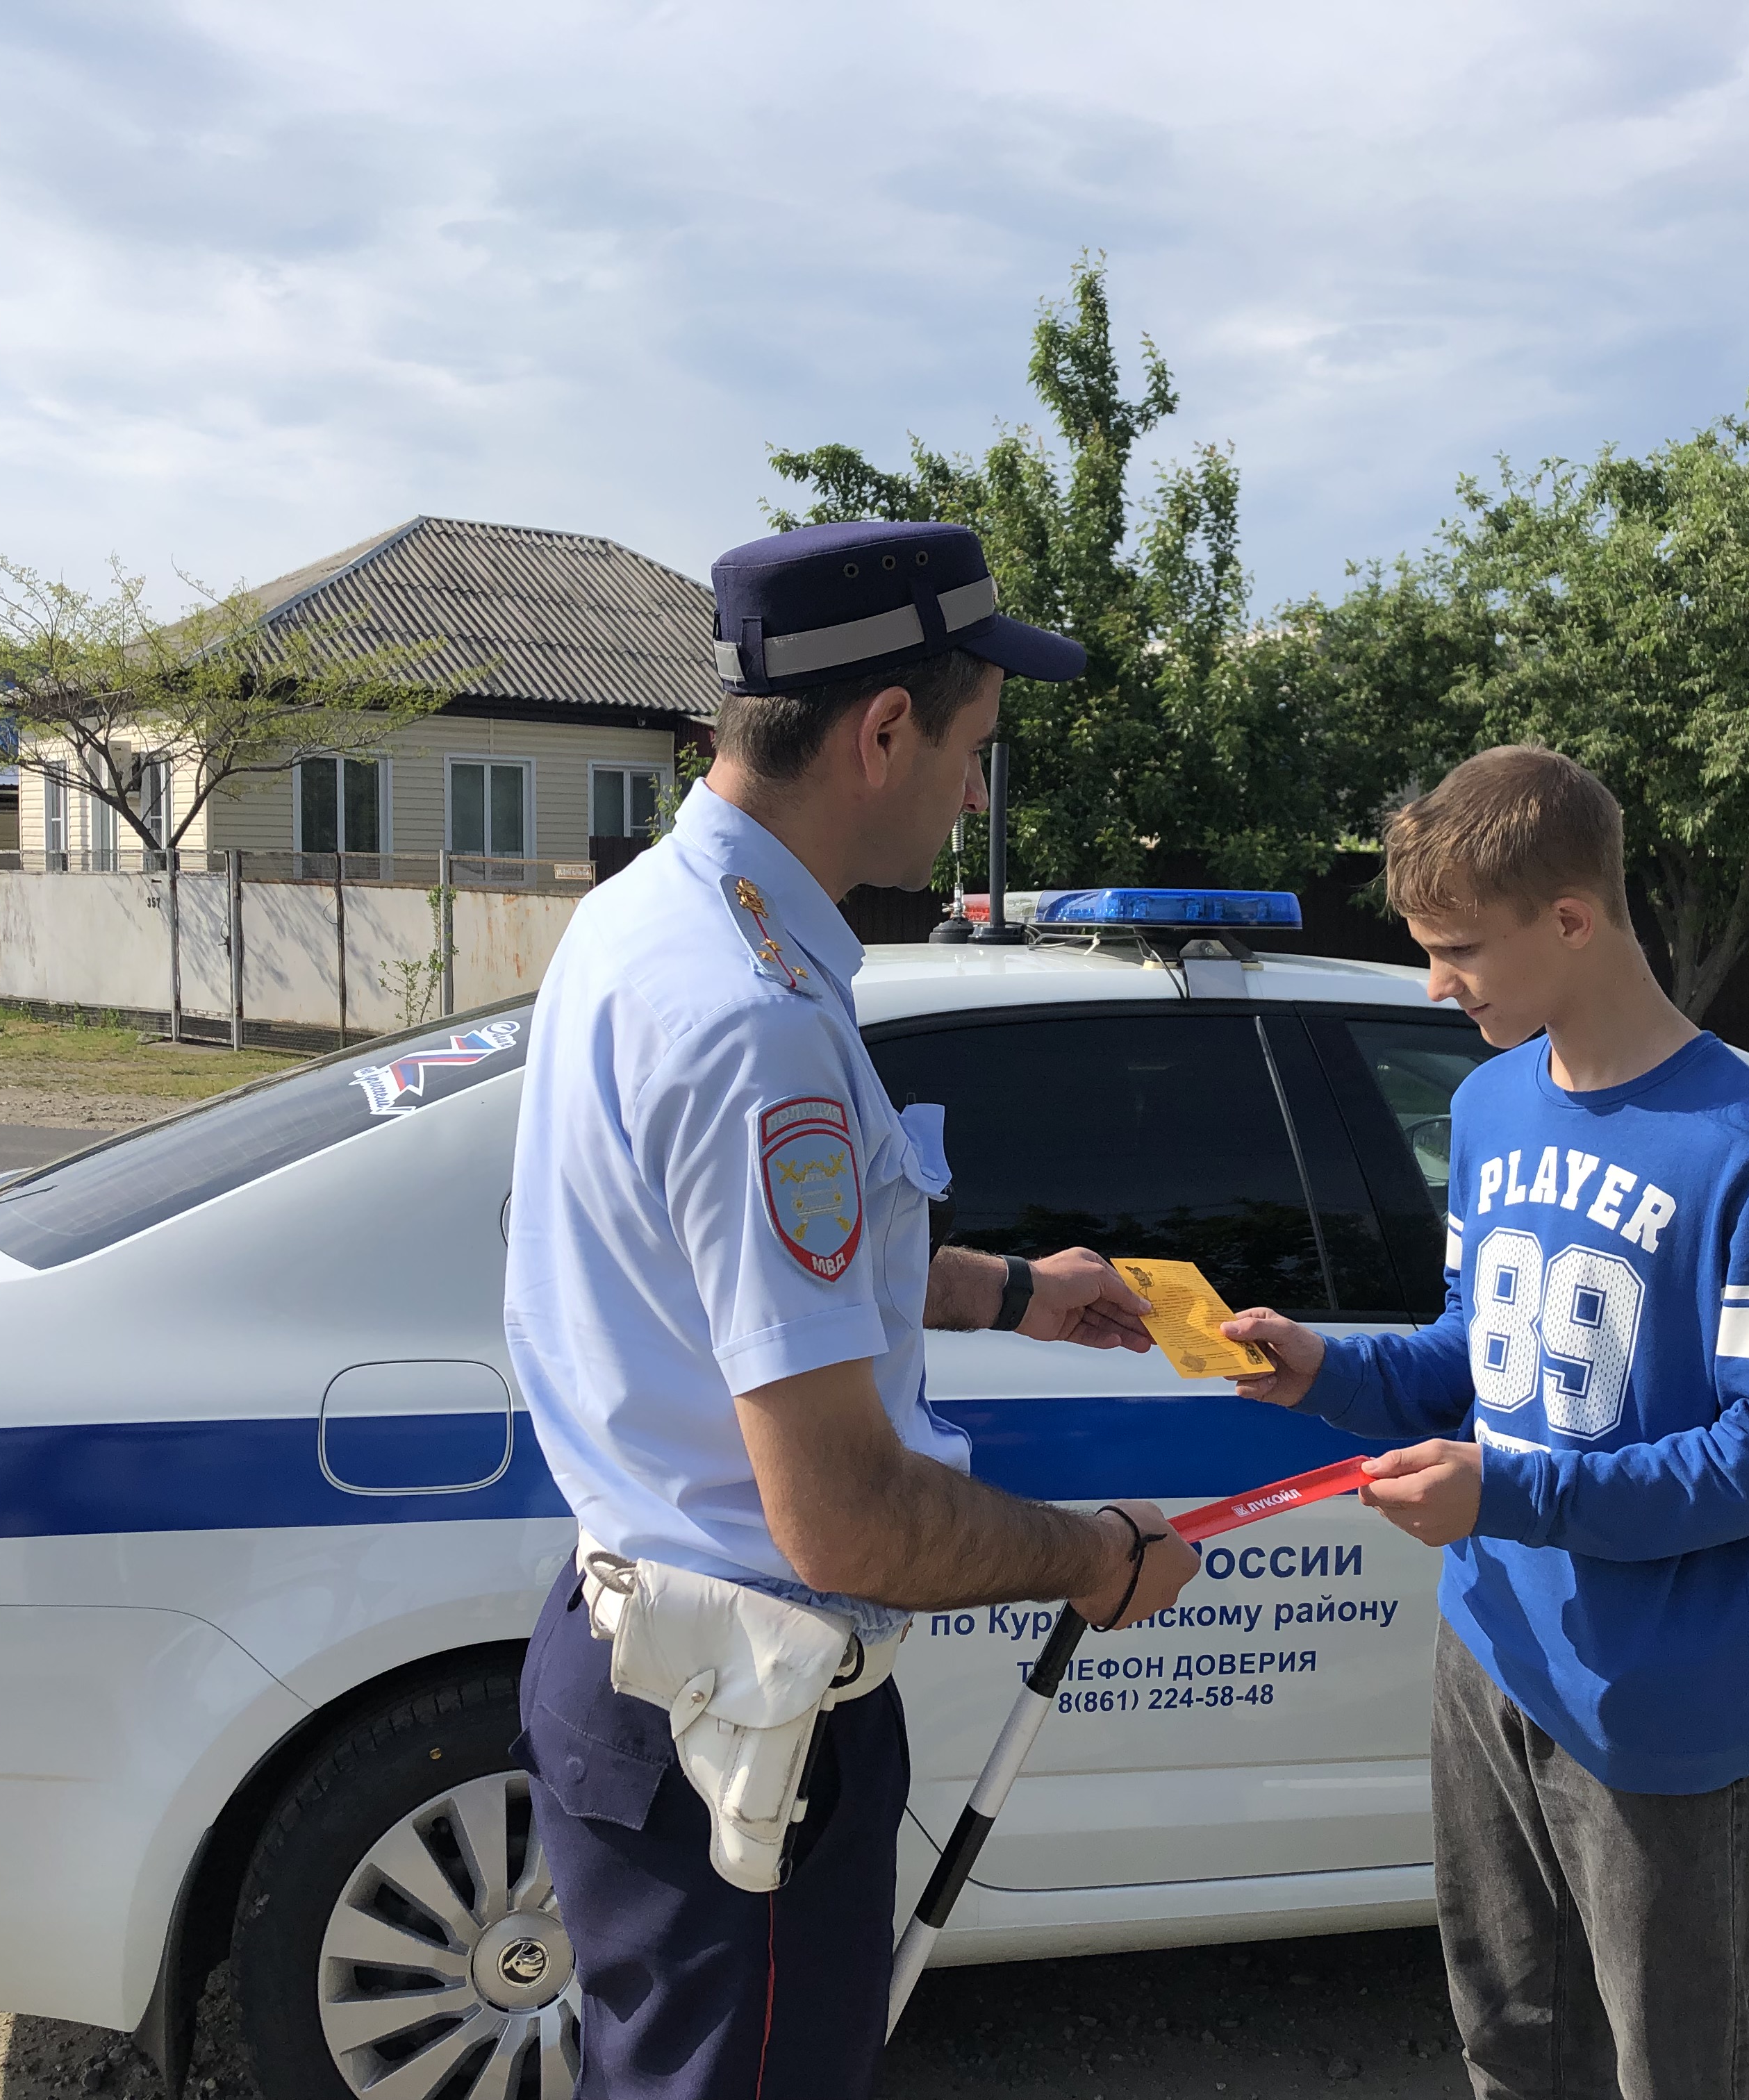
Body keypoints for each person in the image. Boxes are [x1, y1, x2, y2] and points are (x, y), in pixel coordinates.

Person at [504, 518, 1201, 2100]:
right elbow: (848, 1526)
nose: (974, 795)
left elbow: (725, 1273)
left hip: (648, 1676)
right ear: (883, 728)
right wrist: (1097, 1556)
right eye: (972, 752)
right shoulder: (755, 1023)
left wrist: (1011, 1293)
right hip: (742, 1717)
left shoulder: (648, 924)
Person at [1221, 746, 1749, 2100]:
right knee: (1512, 2045)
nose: (1437, 987)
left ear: (1572, 919)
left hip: (1654, 1709)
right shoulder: (1489, 1102)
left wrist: (1511, 1496)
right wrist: (1322, 1369)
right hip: (1489, 1653)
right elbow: (1472, 1357)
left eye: (1457, 952)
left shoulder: (1745, 1142)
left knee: (1671, 2075)